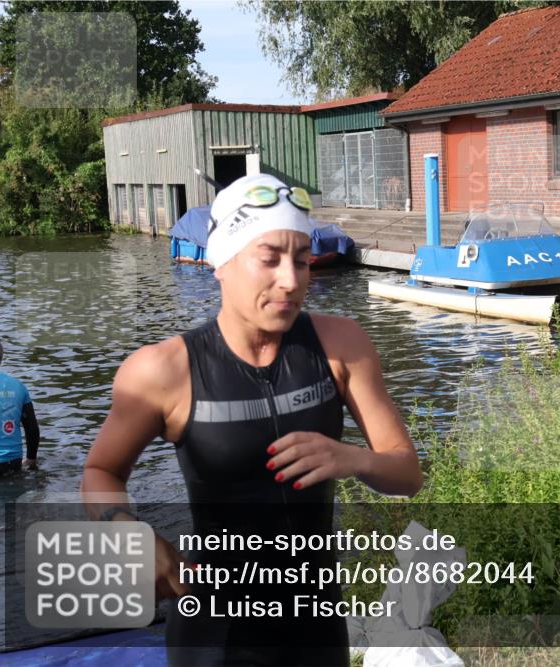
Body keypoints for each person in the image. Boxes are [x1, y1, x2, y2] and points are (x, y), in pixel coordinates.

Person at [81, 173, 423, 666]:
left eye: (302, 261)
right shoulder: (162, 371)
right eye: (269, 259)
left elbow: (407, 474)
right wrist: (124, 531)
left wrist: (349, 458)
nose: (291, 279)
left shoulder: (341, 346)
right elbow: (100, 472)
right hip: (215, 634)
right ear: (222, 262)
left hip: (316, 624)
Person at [0, 336, 40, 478]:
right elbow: (32, 428)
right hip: (14, 463)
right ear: (0, 359)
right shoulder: (19, 386)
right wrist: (31, 459)